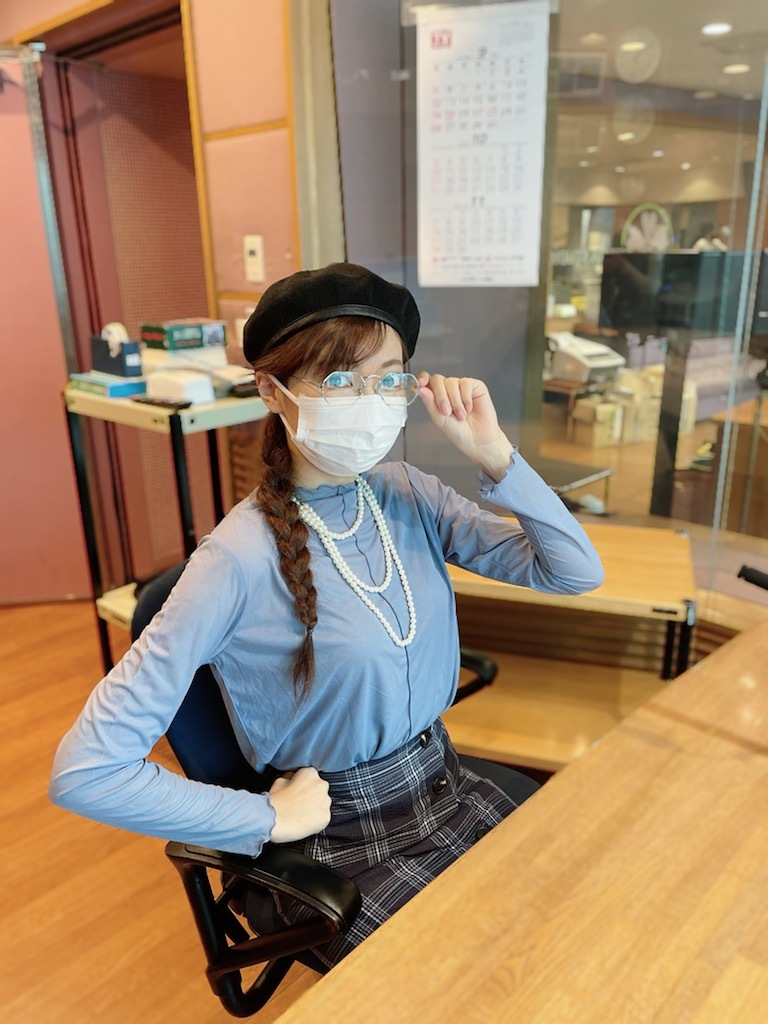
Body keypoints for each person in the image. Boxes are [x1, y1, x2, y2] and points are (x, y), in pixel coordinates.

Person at [50, 262, 604, 969]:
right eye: (339, 380)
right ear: (271, 391)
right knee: (480, 980)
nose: (370, 402)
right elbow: (87, 771)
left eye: (389, 379)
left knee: (574, 925)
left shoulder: (408, 492)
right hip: (341, 841)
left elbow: (573, 571)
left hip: (447, 785)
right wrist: (260, 817)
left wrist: (496, 455)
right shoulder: (235, 560)